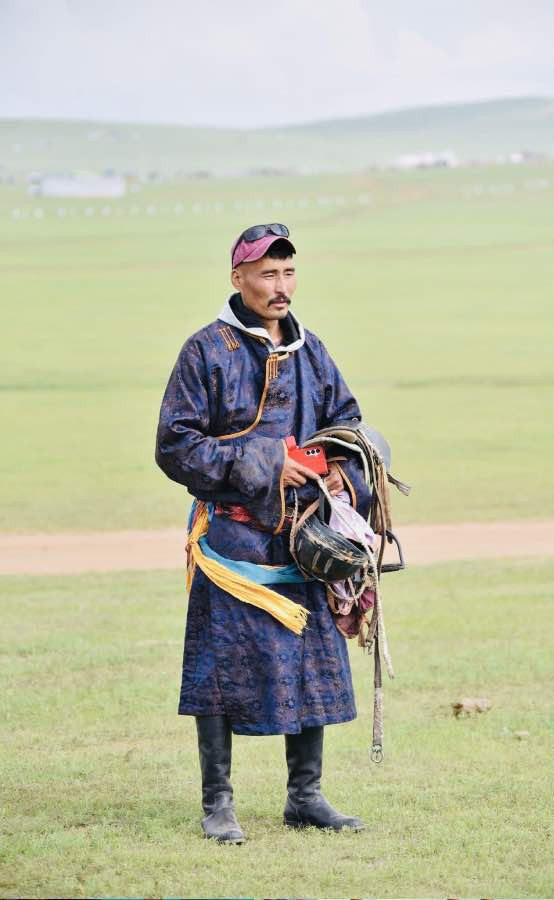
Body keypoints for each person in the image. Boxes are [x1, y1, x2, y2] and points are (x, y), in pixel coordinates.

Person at [155, 224, 372, 841]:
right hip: (233, 540)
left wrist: (340, 480)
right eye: (268, 275)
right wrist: (266, 461)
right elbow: (176, 446)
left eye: (289, 273)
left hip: (305, 539)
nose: (282, 287)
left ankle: (305, 796)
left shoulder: (312, 352)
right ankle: (218, 804)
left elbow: (347, 426)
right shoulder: (205, 351)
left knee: (309, 661)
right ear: (239, 279)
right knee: (220, 673)